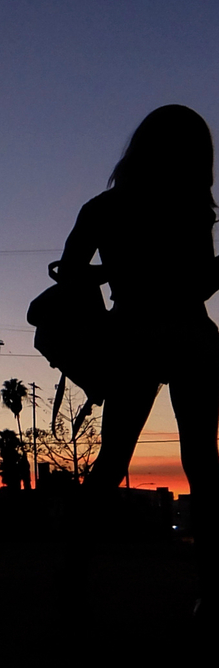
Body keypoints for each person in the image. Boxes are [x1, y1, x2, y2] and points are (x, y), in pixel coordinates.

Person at [60, 104, 219, 607]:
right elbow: (201, 285)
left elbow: (69, 274)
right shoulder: (191, 207)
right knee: (203, 464)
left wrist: (113, 284)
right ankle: (211, 592)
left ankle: (73, 584)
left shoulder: (103, 208)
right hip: (191, 335)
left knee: (111, 462)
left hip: (132, 335)